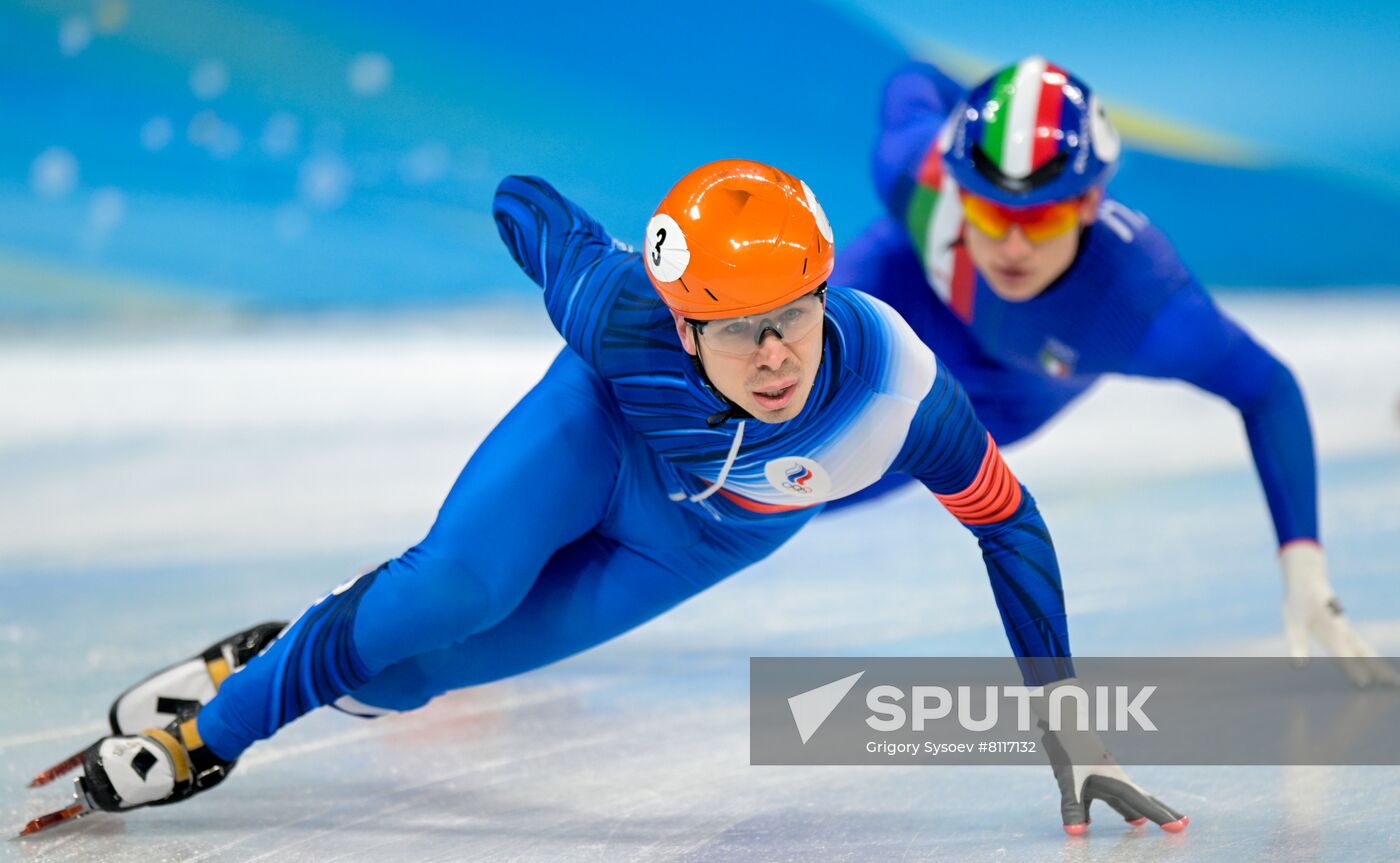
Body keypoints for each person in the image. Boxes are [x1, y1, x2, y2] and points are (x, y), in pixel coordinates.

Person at [40, 160, 1186, 837]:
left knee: (417, 670)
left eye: (792, 313)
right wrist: (561, 236)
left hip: (697, 540)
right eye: (738, 330)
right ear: (682, 321)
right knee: (454, 585)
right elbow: (523, 205)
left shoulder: (899, 393)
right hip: (593, 432)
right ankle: (214, 731)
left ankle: (284, 645)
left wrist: (1065, 730)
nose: (776, 352)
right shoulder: (619, 313)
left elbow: (1010, 527)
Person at [830, 57, 1392, 679]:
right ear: (960, 190)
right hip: (905, 288)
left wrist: (1304, 562)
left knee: (805, 487)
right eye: (991, 214)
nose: (1014, 247)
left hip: (1004, 395)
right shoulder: (915, 170)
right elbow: (912, 79)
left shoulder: (1143, 304)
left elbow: (1267, 388)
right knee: (767, 413)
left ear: (1090, 201)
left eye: (1041, 217)